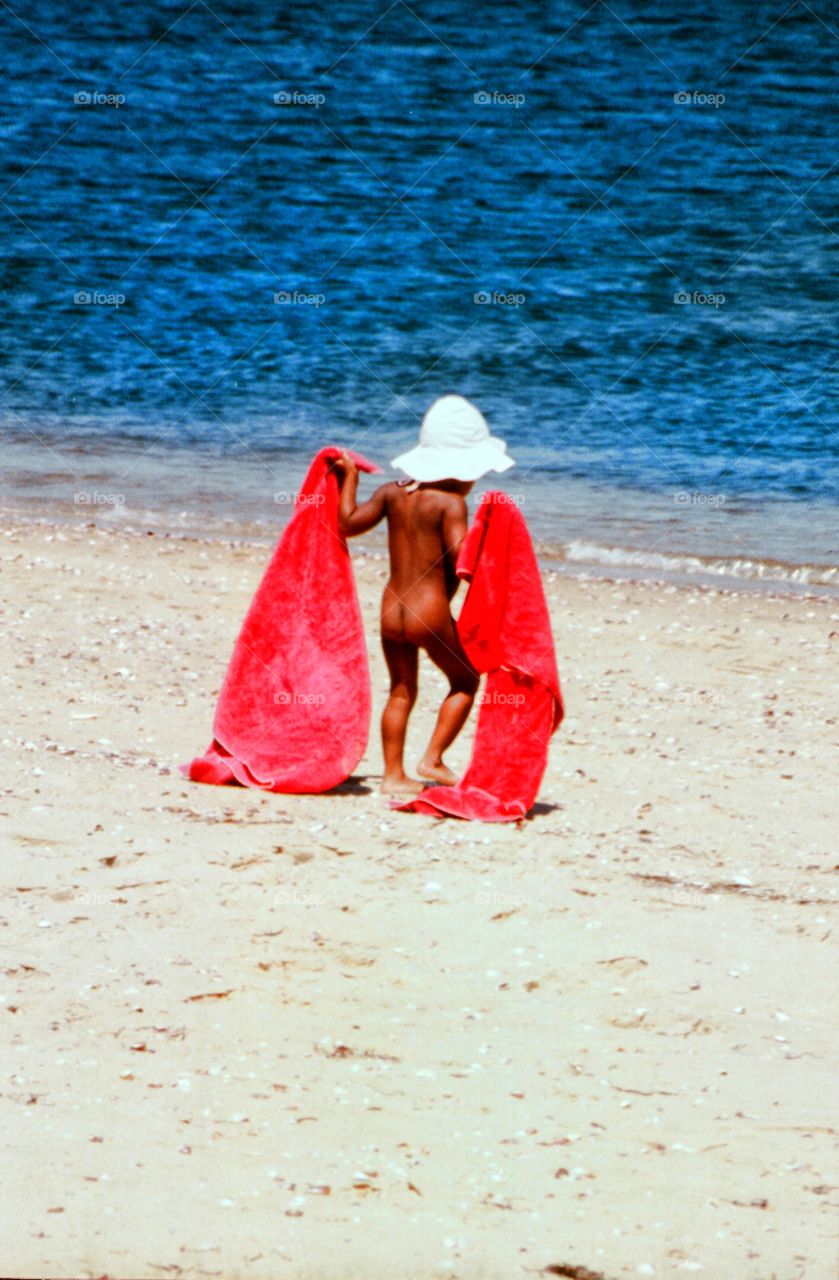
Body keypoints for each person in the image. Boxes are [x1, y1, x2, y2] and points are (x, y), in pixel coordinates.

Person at [335, 394, 515, 796]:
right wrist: (495, 541)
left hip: (390, 612)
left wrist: (350, 477)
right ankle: (432, 758)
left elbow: (345, 523)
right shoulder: (450, 504)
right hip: (428, 613)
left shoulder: (391, 493)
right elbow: (460, 558)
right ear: (462, 469)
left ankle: (392, 775)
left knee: (400, 690)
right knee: (466, 680)